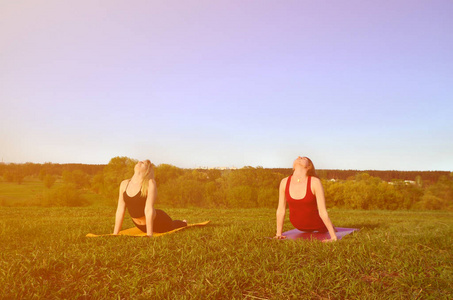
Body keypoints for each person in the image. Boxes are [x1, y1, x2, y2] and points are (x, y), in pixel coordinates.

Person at [113, 160, 187, 237]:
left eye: (144, 163)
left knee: (172, 225)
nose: (140, 162)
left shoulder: (150, 183)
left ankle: (184, 222)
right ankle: (182, 222)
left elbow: (148, 208)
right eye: (140, 161)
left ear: (147, 171)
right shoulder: (124, 184)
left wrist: (149, 234)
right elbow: (120, 209)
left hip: (159, 221)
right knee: (172, 224)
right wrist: (115, 233)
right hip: (140, 226)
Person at [274, 156, 337, 242]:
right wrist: (278, 234)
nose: (299, 157)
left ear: (309, 167)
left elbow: (322, 211)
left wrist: (333, 237)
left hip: (316, 223)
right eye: (298, 157)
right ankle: (332, 227)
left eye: (304, 158)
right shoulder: (284, 182)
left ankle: (332, 227)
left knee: (326, 227)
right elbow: (281, 209)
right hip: (297, 224)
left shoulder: (315, 182)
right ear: (293, 166)